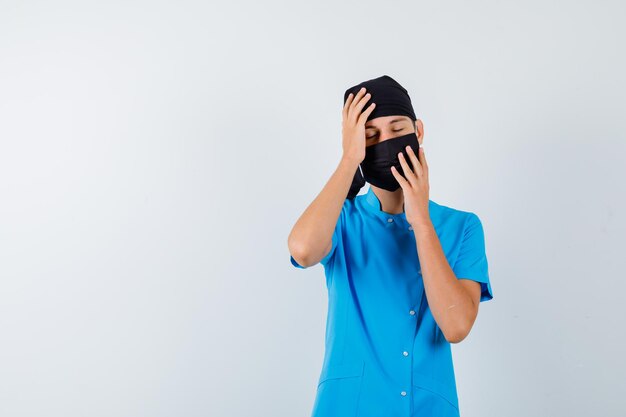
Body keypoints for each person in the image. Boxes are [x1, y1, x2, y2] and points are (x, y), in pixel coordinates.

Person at [287, 75, 494, 417]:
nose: (385, 142)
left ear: (419, 131)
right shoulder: (342, 220)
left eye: (397, 129)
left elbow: (456, 326)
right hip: (347, 405)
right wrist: (348, 159)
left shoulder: (462, 227)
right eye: (370, 136)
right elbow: (303, 250)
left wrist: (421, 222)